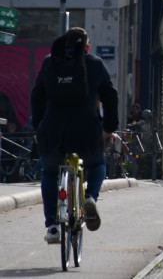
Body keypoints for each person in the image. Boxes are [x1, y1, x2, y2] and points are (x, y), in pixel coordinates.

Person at [31, 27, 119, 243]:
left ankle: (52, 226)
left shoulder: (49, 62)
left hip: (53, 130)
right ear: (86, 47)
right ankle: (90, 197)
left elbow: (37, 96)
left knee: (50, 172)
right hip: (86, 130)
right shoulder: (95, 63)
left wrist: (38, 128)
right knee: (97, 163)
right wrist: (109, 128)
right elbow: (110, 96)